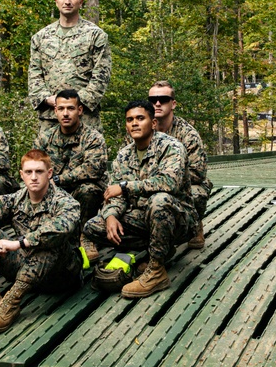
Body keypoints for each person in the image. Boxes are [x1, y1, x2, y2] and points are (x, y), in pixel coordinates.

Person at [82, 100, 196, 298]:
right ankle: (159, 250)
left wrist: (126, 187)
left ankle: (156, 271)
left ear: (152, 123)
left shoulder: (171, 147)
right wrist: (111, 215)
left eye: (140, 118)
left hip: (177, 219)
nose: (134, 123)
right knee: (94, 227)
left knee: (159, 201)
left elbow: (169, 182)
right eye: (130, 119)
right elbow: (114, 194)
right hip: (142, 217)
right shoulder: (124, 155)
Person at [0, 149, 83, 334]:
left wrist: (18, 243)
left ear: (49, 174)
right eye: (28, 172)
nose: (33, 177)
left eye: (39, 172)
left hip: (61, 275)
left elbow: (60, 229)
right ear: (22, 175)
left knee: (50, 241)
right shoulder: (15, 199)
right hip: (25, 267)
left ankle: (11, 302)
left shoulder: (65, 202)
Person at [32, 88, 107, 257]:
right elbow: (35, 167)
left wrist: (57, 180)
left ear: (80, 110)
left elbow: (93, 169)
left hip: (80, 194)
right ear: (55, 111)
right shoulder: (44, 139)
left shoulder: (93, 138)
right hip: (54, 195)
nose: (65, 113)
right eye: (61, 109)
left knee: (89, 190)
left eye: (70, 108)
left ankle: (86, 237)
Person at [28, 0, 111, 135]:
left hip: (84, 117)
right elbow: (34, 76)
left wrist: (75, 102)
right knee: (46, 159)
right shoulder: (41, 37)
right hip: (50, 117)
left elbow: (101, 76)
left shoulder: (95, 35)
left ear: (80, 3)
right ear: (56, 1)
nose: (67, 1)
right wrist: (47, 99)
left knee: (90, 158)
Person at [147, 80, 212, 249]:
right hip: (149, 184)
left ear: (173, 104)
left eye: (164, 99)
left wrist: (168, 178)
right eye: (153, 100)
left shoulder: (187, 134)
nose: (158, 103)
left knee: (198, 192)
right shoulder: (141, 128)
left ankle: (194, 223)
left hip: (181, 186)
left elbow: (198, 173)